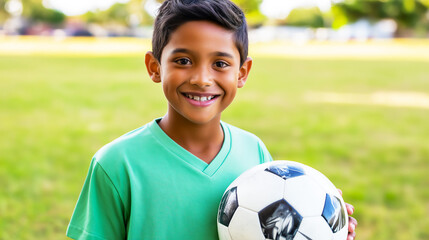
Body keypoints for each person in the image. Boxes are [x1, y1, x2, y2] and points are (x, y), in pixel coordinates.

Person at [66, 0, 357, 239]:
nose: (202, 79)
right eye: (183, 61)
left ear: (242, 73)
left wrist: (322, 229)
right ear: (154, 67)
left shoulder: (254, 153)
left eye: (220, 64)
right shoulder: (117, 163)